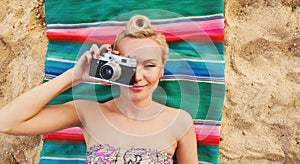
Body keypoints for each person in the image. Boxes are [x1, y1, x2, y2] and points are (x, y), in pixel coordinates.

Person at [0, 15, 198, 163]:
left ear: (161, 71)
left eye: (149, 65)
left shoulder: (180, 122)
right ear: (112, 66)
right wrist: (74, 76)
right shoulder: (89, 111)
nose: (138, 77)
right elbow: (7, 122)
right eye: (129, 64)